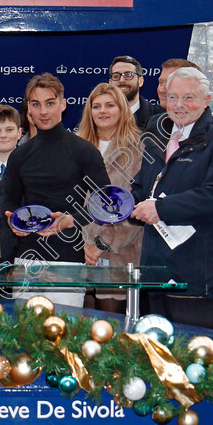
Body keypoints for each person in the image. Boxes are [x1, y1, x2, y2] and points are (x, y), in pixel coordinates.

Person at [130, 67, 213, 330]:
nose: (179, 105)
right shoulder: (157, 142)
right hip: (154, 280)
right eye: (173, 98)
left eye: (188, 97)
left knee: (196, 363)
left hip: (197, 284)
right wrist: (119, 204)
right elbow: (142, 190)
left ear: (206, 100)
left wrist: (161, 209)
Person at [2, 73, 110, 307]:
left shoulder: (84, 150)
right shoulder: (20, 155)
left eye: (50, 103)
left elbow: (106, 202)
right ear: (28, 108)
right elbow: (8, 201)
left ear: (62, 104)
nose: (43, 111)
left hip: (68, 260)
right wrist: (12, 221)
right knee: (23, 335)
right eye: (35, 104)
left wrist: (72, 220)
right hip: (26, 261)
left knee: (67, 337)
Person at [78, 83, 144, 314]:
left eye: (110, 105)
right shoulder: (77, 147)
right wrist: (84, 244)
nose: (102, 111)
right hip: (79, 253)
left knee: (110, 332)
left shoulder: (139, 150)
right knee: (77, 330)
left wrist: (101, 245)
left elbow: (138, 206)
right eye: (96, 106)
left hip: (118, 254)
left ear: (122, 110)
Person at [0, 104, 23, 261]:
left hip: (19, 252)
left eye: (9, 130)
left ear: (19, 133)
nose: (3, 135)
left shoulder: (30, 167)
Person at [108, 55, 162, 131]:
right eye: (116, 76)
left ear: (140, 81)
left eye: (128, 75)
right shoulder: (93, 116)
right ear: (110, 83)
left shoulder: (161, 118)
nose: (122, 80)